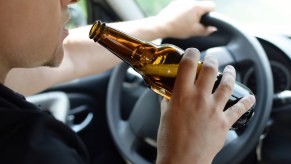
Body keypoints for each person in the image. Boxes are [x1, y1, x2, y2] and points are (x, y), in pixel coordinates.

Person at [0, 0, 255, 163]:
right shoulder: (30, 150)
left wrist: (163, 24)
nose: (72, 0)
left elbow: (74, 58)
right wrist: (186, 154)